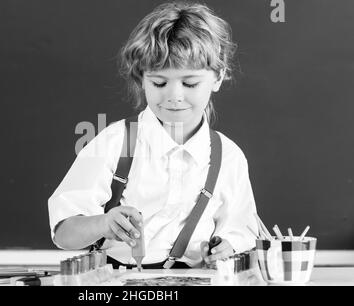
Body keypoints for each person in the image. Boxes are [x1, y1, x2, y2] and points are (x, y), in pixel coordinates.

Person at [48, 1, 258, 268]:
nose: (174, 96)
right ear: (141, 78)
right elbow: (64, 233)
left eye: (190, 83)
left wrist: (225, 247)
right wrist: (102, 223)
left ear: (217, 77)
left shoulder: (228, 157)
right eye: (159, 82)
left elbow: (241, 234)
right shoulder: (115, 143)